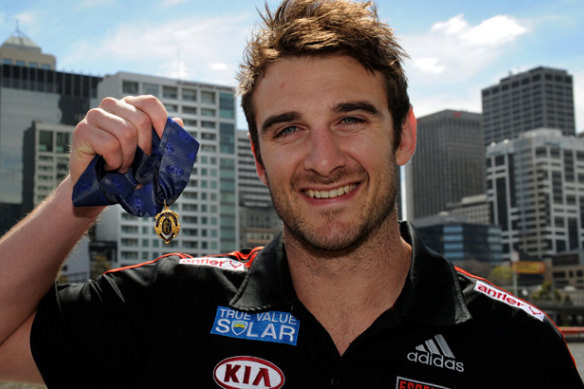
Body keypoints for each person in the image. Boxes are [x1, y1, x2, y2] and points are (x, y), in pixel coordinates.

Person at [0, 0, 581, 387]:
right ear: (256, 159)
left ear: (403, 136)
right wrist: (80, 197)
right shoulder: (173, 305)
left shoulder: (518, 347)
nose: (323, 161)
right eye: (288, 129)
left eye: (350, 119)